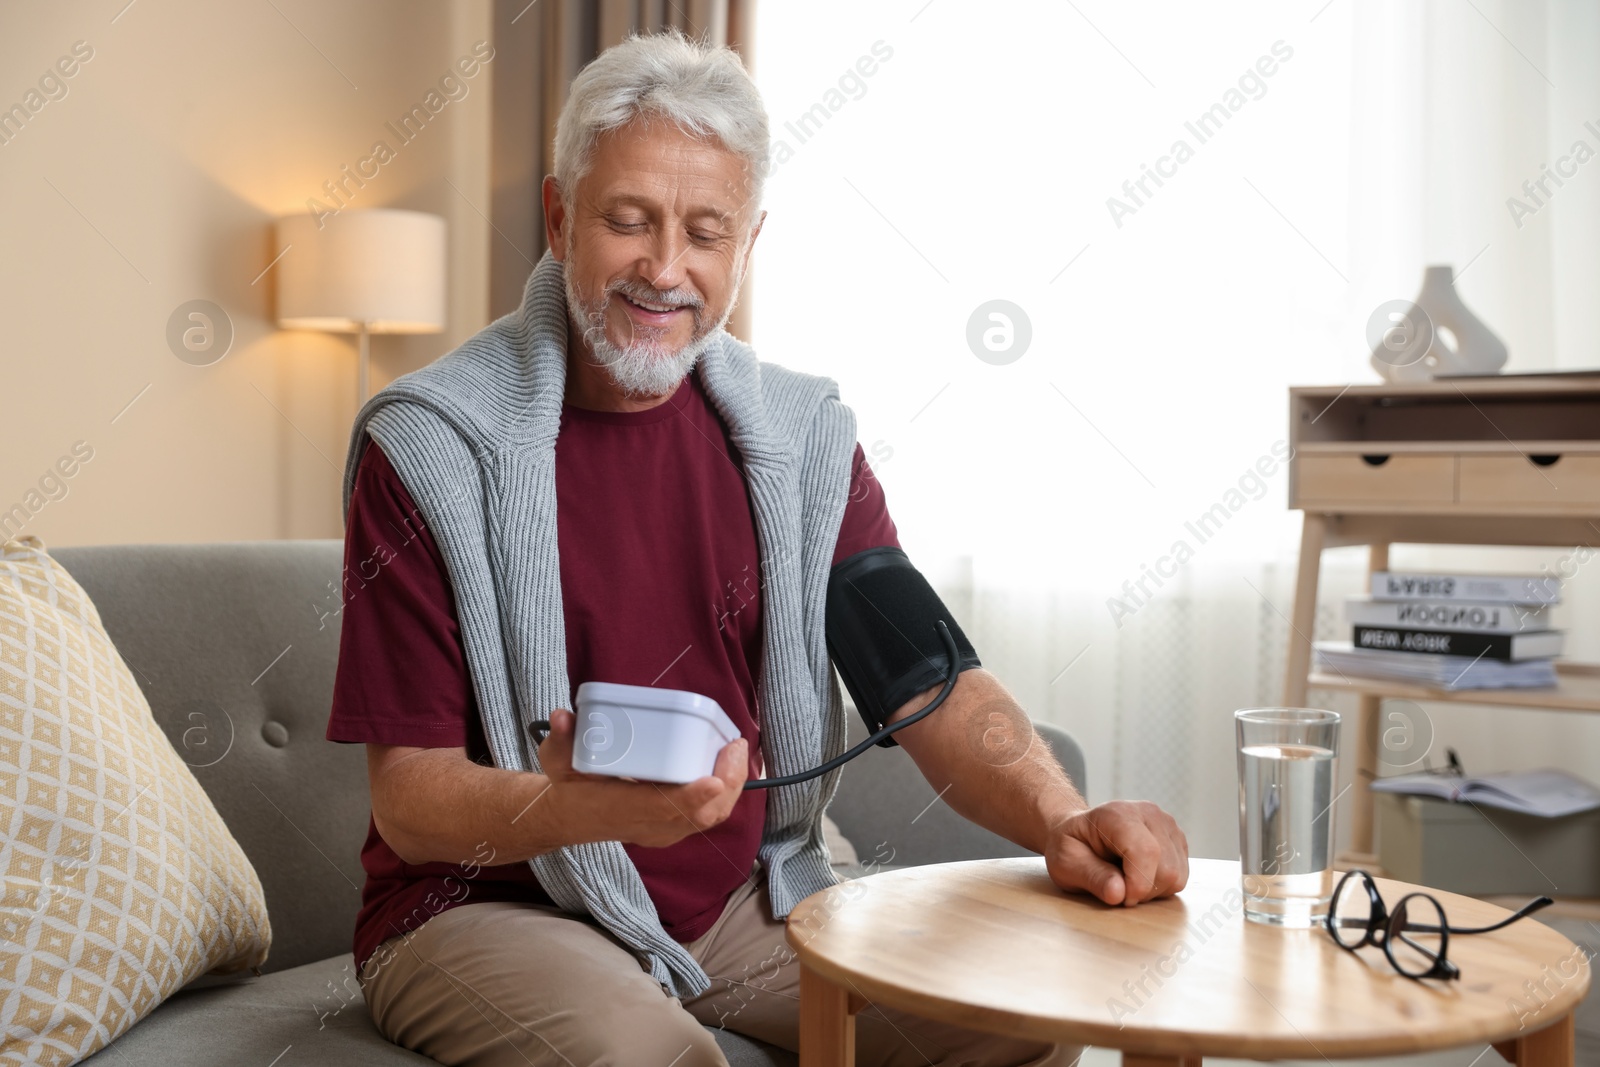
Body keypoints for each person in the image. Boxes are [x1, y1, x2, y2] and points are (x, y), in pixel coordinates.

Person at [326, 31, 1189, 1067]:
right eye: (628, 220)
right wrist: (580, 807)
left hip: (735, 903)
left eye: (704, 231)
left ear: (748, 243)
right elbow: (412, 799)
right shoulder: (429, 444)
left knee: (1021, 1013)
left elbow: (928, 682)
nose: (664, 268)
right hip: (486, 907)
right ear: (560, 216)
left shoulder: (800, 438)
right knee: (657, 1058)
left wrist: (1061, 812)